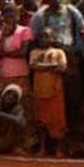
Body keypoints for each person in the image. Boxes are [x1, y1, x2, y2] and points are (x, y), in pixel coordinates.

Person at [31, 0, 84, 147]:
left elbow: (80, 35)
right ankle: (52, 141)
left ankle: (74, 140)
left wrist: (78, 57)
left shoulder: (71, 12)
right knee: (52, 103)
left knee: (73, 101)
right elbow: (36, 40)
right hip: (50, 63)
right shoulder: (40, 16)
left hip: (70, 61)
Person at [29, 28, 68, 157]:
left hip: (56, 91)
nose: (43, 40)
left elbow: (62, 67)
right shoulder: (34, 52)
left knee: (58, 121)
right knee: (40, 122)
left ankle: (59, 149)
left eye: (47, 37)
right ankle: (42, 148)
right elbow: (33, 66)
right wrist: (51, 67)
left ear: (52, 38)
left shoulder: (59, 52)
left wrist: (43, 67)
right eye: (41, 37)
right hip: (39, 91)